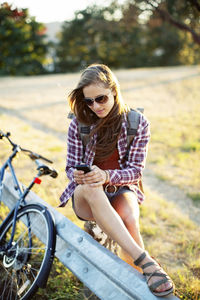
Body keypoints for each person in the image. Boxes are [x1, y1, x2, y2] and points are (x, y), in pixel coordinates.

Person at [59, 63, 174, 297]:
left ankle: (139, 285)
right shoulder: (78, 124)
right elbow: (69, 167)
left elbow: (136, 172)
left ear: (114, 91)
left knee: (130, 218)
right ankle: (146, 261)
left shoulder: (137, 122)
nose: (95, 106)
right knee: (92, 187)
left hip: (121, 188)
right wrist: (78, 175)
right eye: (89, 101)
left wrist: (107, 175)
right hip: (87, 197)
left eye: (101, 98)